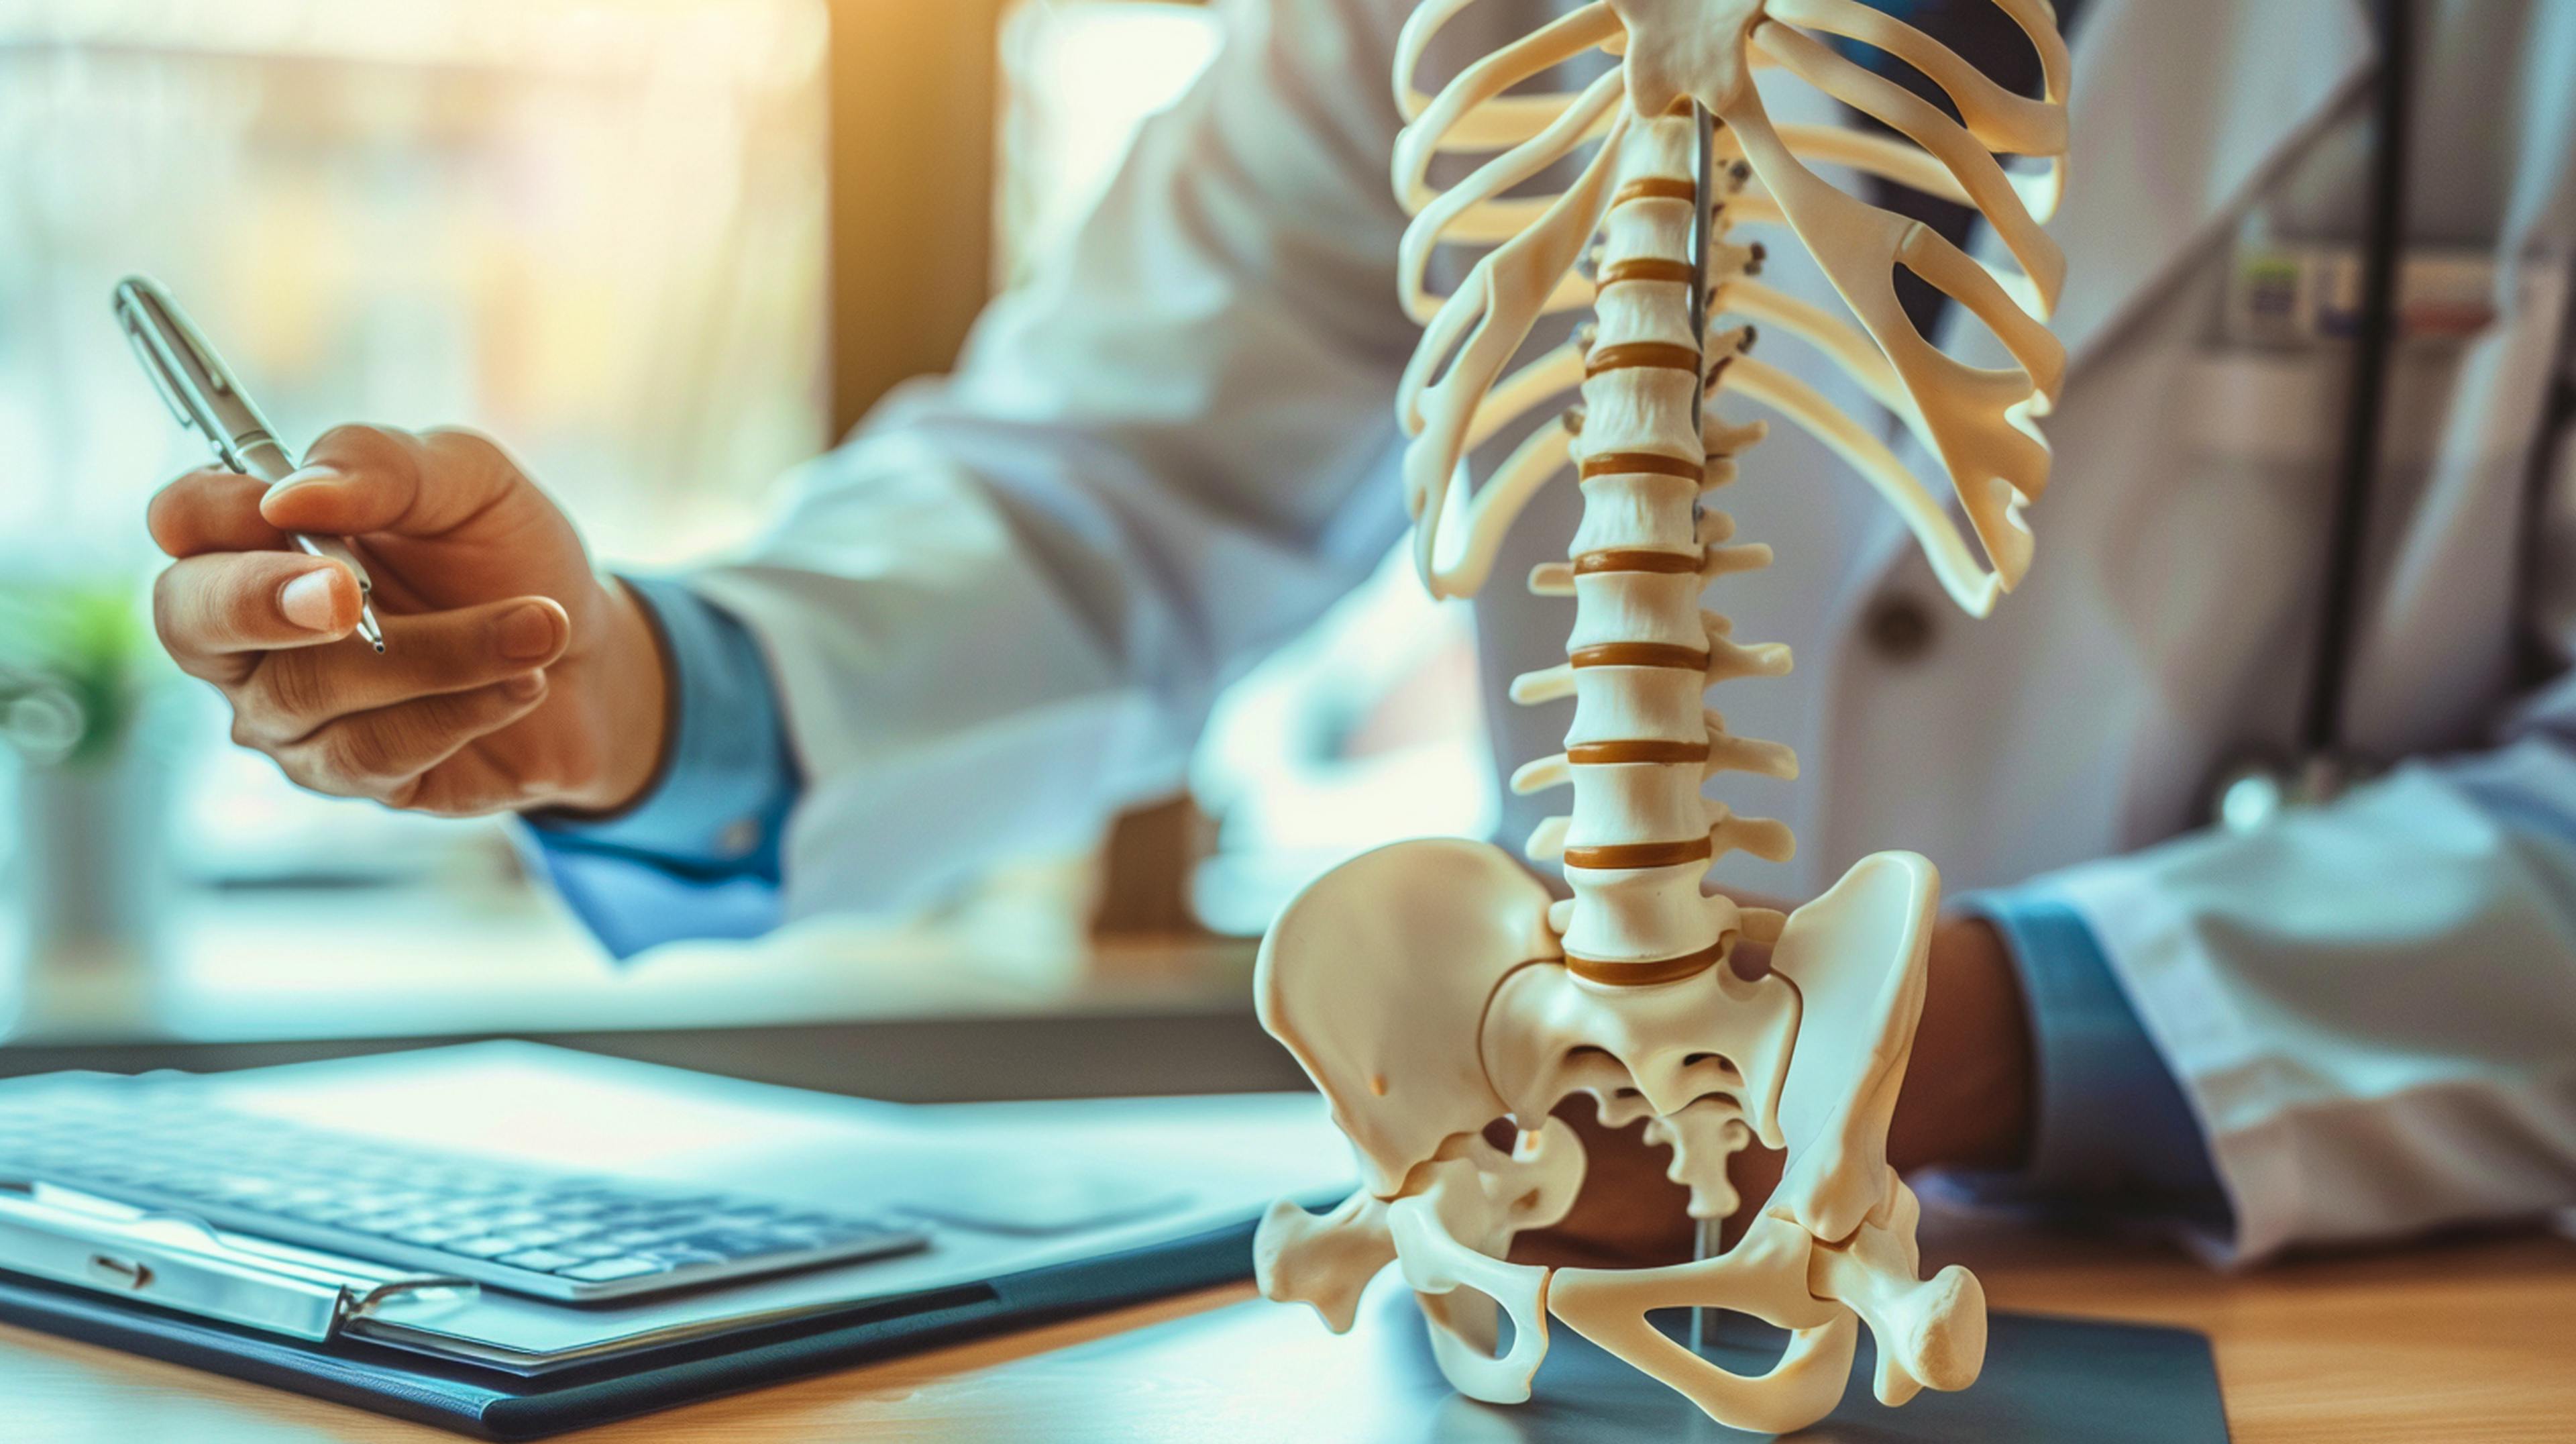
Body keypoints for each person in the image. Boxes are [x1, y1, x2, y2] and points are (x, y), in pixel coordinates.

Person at [142, 0, 2576, 1269]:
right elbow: (1113, 491)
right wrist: (630, 686)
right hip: (1568, 1264)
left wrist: (1968, 1042)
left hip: (2343, 1307)